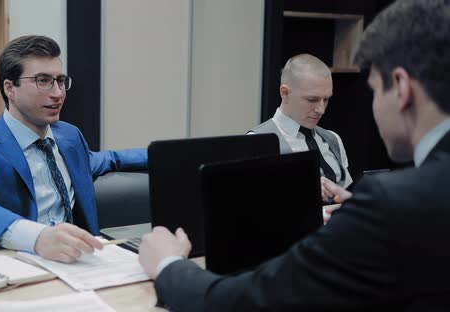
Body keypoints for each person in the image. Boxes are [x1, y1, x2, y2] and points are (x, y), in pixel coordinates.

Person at [138, 0, 450, 310]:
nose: (321, 109)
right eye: (313, 99)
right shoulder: (404, 203)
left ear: (400, 87)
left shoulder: (390, 205)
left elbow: (246, 302)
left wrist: (168, 265)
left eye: (374, 91)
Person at [0, 35, 147, 263]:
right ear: (10, 88)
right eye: (43, 81)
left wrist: (169, 155)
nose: (58, 93)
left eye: (60, 81)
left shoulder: (69, 137)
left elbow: (110, 159)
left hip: (71, 267)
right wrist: (39, 238)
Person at [248, 54, 353, 199]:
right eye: (312, 99)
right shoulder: (257, 142)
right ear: (285, 93)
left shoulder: (333, 139)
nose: (321, 110)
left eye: (326, 99)